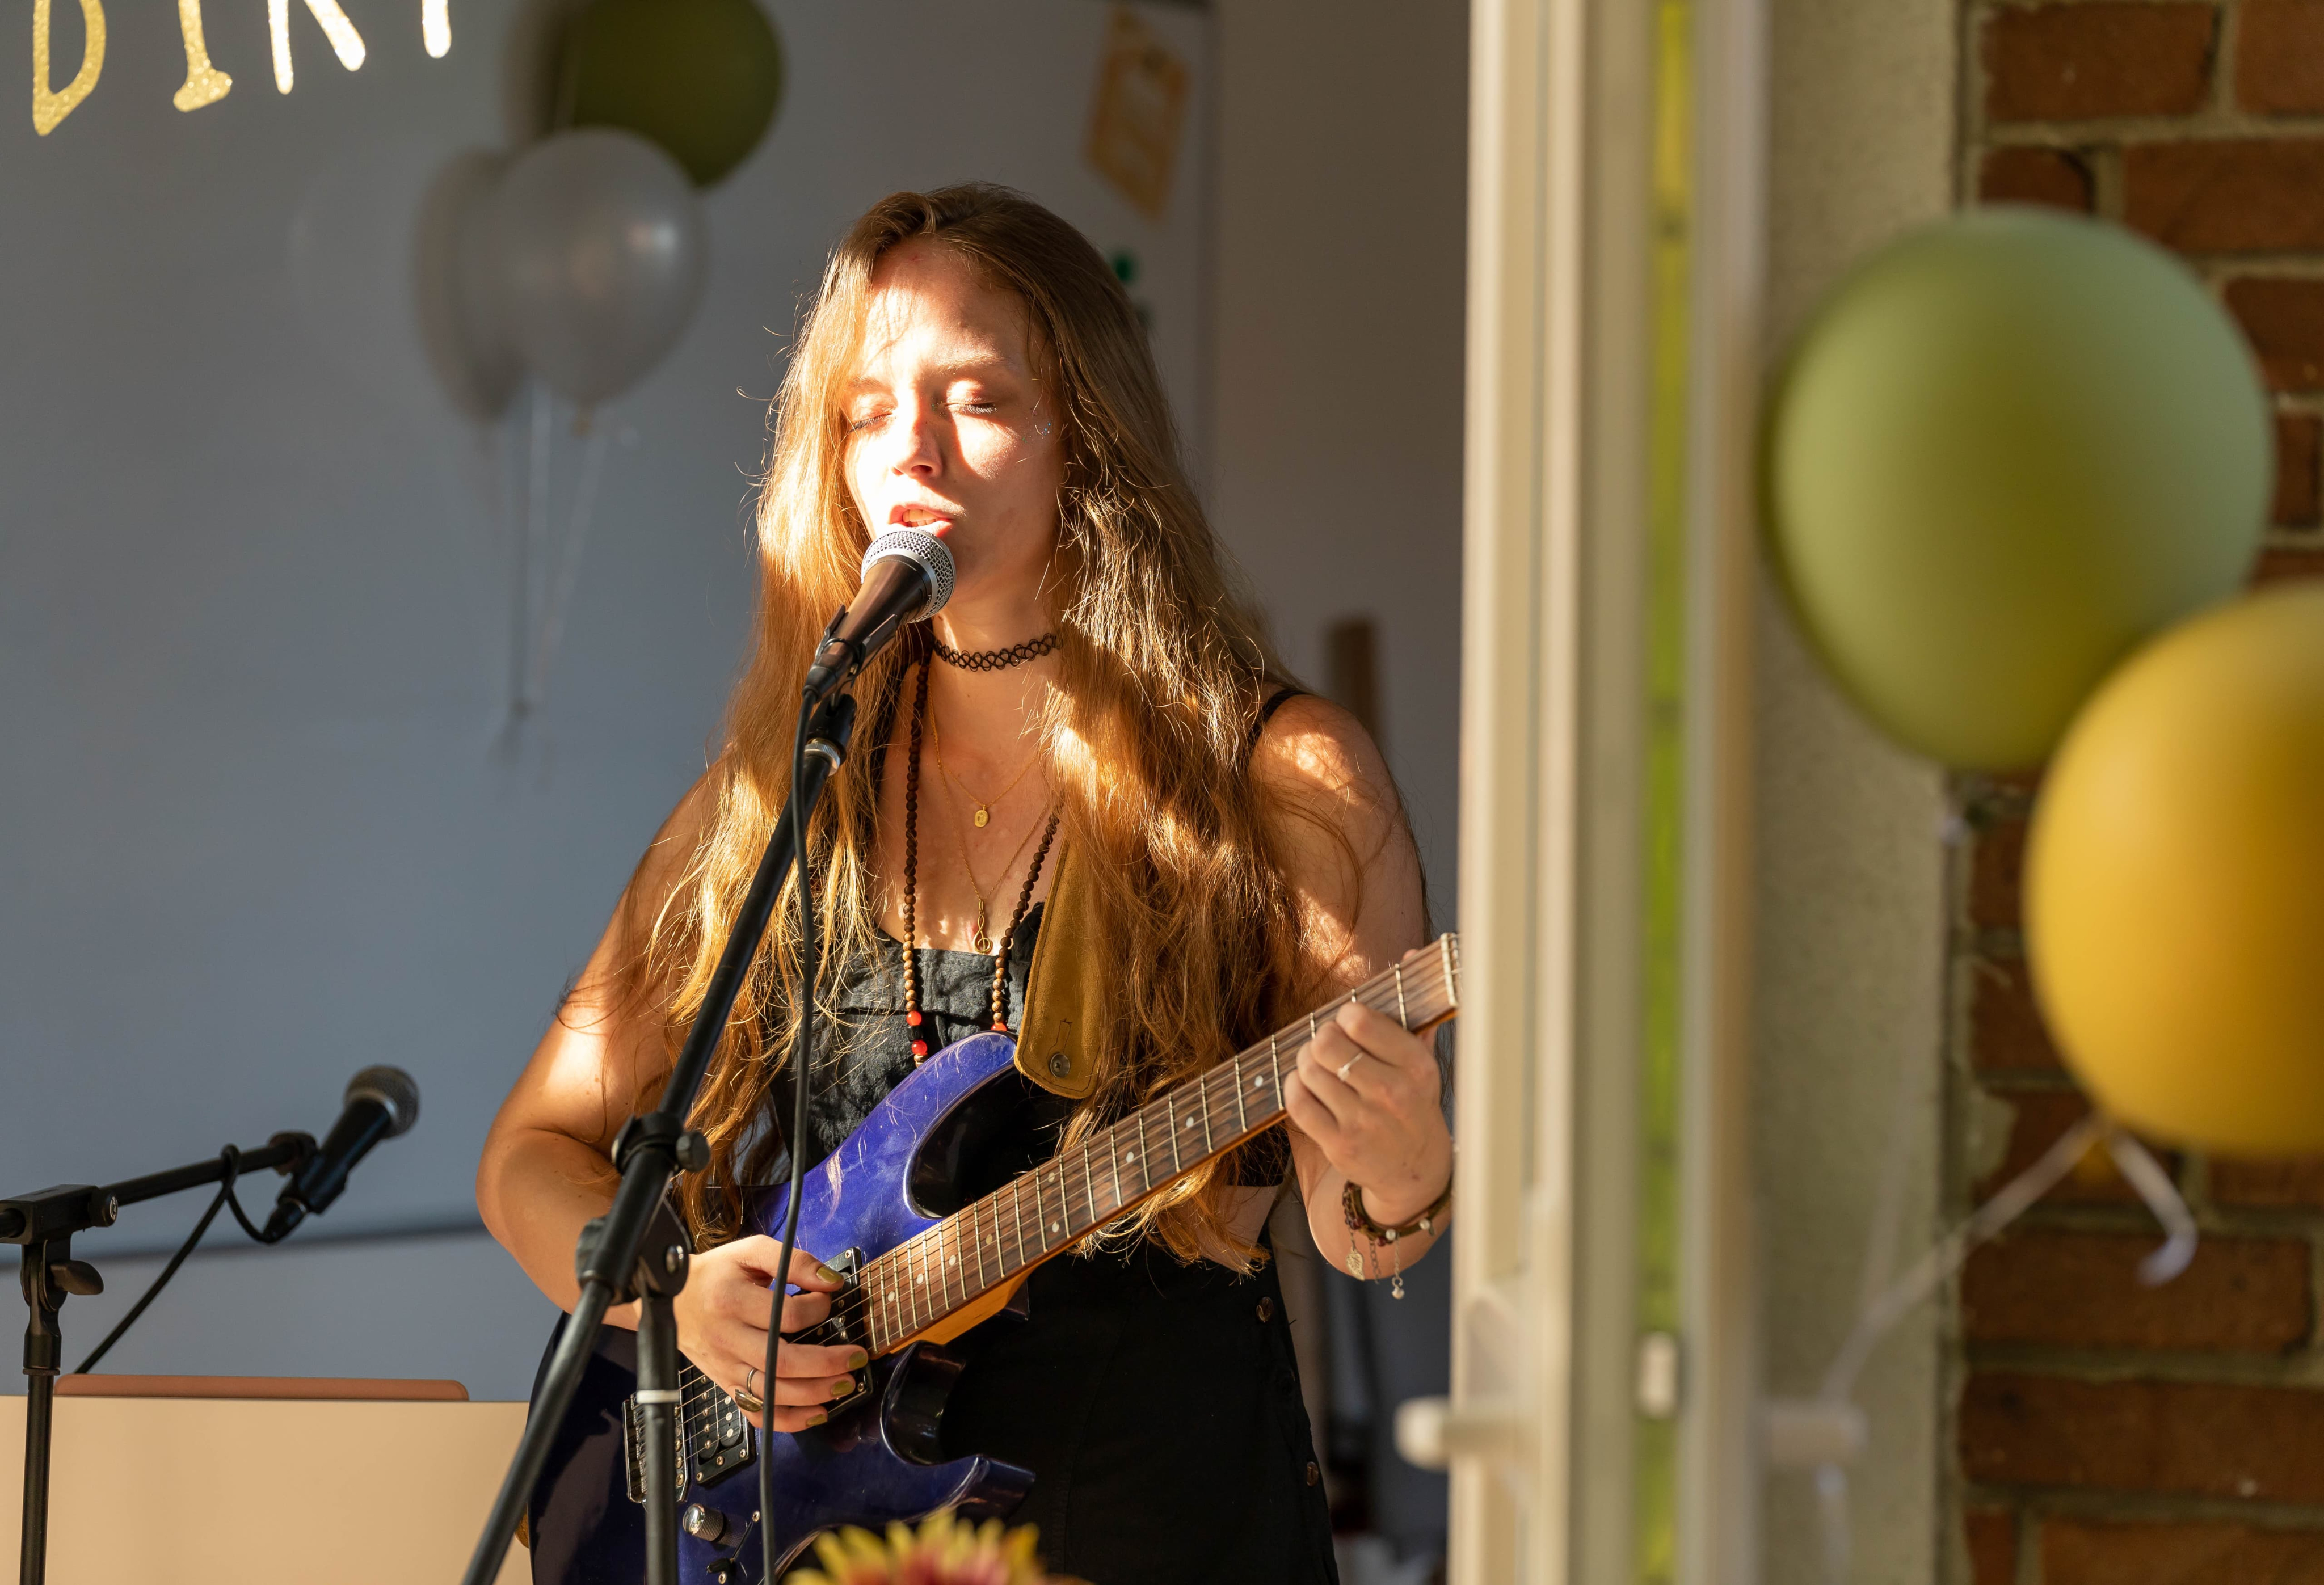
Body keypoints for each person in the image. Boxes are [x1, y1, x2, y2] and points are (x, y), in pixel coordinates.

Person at [476, 183, 1454, 1584]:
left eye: (977, 399)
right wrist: (674, 1293)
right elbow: (529, 1154)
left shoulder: (1278, 778)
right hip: (837, 1546)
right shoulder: (782, 790)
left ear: (1087, 435)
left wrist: (1403, 1174)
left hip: (1153, 1534)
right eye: (868, 409)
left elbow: (1361, 1232)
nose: (910, 453)